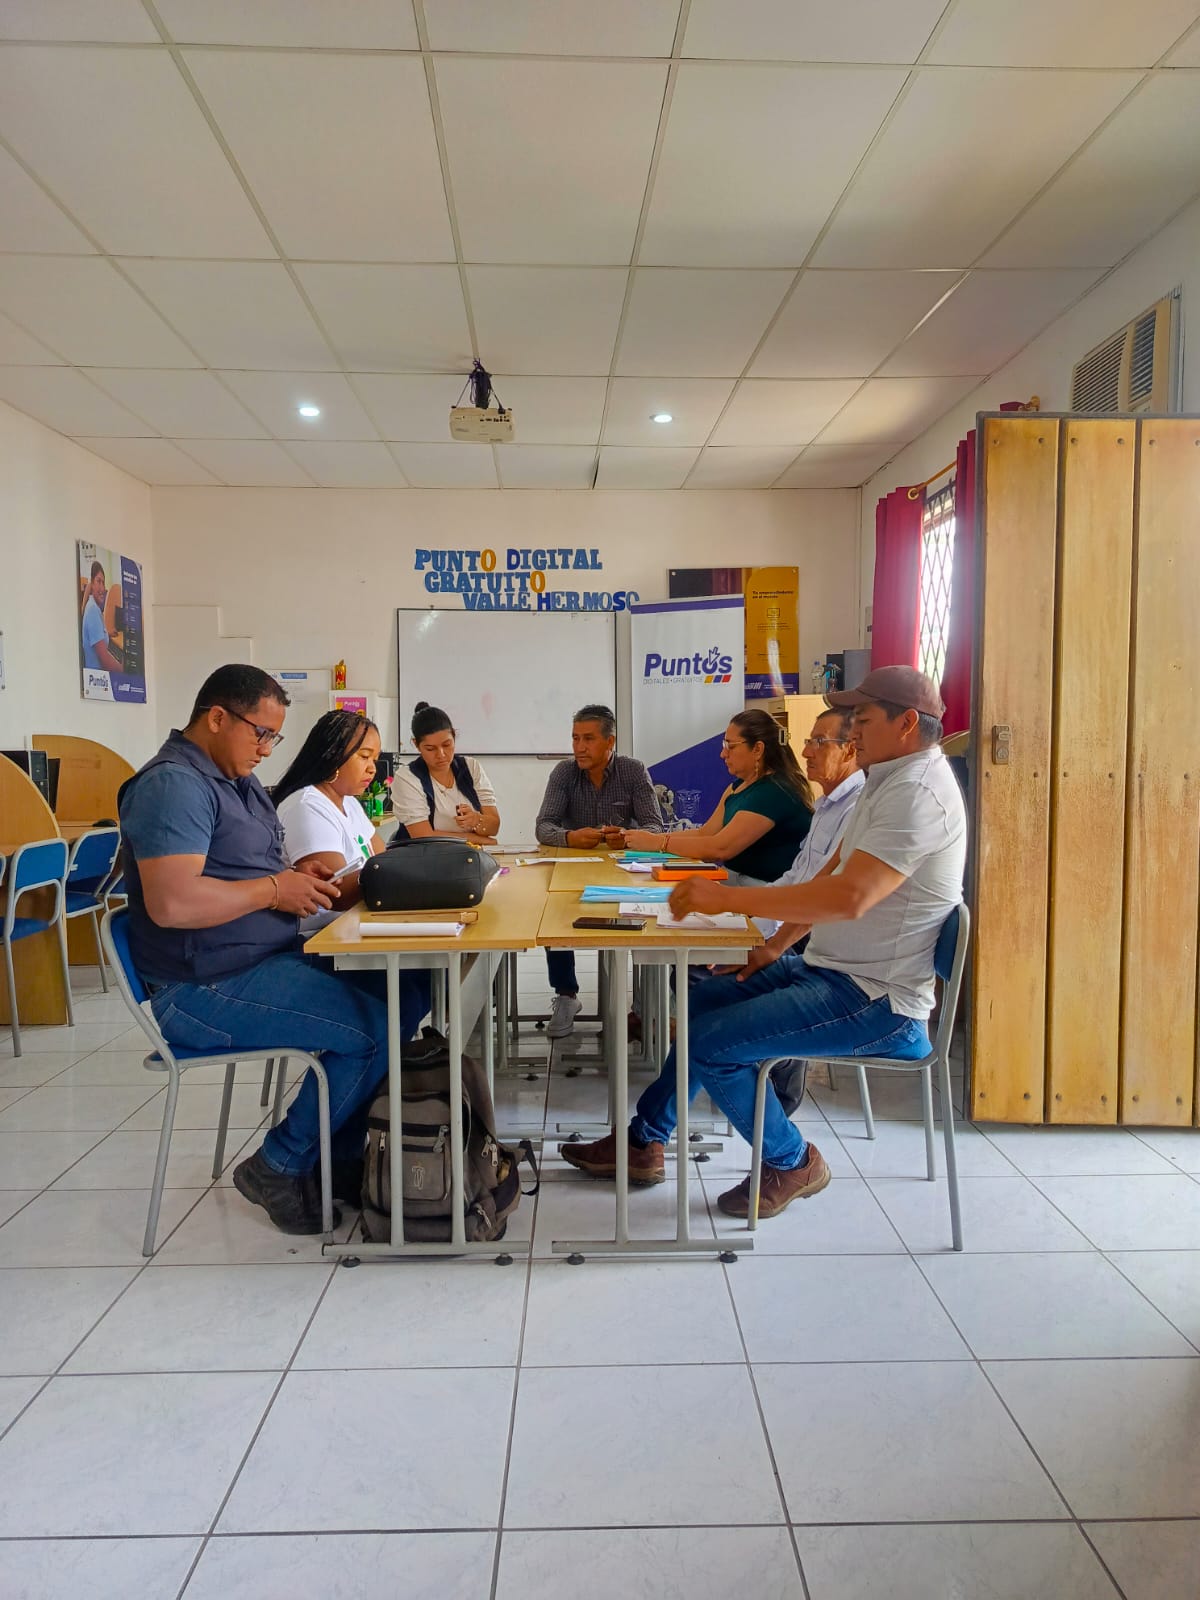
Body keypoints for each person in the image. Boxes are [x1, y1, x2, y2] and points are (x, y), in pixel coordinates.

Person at [562, 666, 966, 1221]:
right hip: (831, 968)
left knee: (711, 1042)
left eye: (863, 720)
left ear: (907, 724)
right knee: (701, 1001)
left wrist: (726, 900)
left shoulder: (918, 793)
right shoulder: (887, 779)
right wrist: (777, 946)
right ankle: (643, 1140)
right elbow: (831, 870)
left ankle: (792, 1160)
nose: (853, 733)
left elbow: (850, 897)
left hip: (877, 999)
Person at [118, 664, 427, 1236]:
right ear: (217, 717)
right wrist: (273, 890)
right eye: (260, 732)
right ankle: (279, 1165)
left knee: (405, 990)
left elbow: (247, 871)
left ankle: (338, 1154)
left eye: (274, 738)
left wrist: (297, 878)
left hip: (260, 957)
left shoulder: (236, 782)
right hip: (202, 984)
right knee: (372, 1029)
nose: (266, 748)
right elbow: (173, 903)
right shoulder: (173, 786)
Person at [758, 705, 864, 1114]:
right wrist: (749, 914)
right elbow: (794, 879)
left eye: (819, 742)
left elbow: (821, 897)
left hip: (814, 936)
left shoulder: (857, 807)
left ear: (850, 749)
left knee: (712, 974)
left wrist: (763, 928)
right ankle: (738, 1069)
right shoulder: (826, 805)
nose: (806, 752)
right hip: (792, 920)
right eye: (808, 741)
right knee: (701, 966)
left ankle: (777, 1095)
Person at [534, 703, 663, 1038]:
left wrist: (629, 837)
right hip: (572, 870)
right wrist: (570, 837)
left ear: (610, 742)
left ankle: (641, 1007)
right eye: (575, 738)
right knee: (555, 917)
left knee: (640, 924)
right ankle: (566, 995)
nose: (579, 747)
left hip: (623, 871)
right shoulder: (564, 773)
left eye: (588, 739)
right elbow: (543, 826)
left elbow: (654, 825)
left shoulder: (633, 771)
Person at [624, 708, 813, 890]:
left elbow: (720, 848)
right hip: (735, 881)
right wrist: (644, 839)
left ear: (757, 749)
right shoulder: (738, 787)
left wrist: (659, 843)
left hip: (764, 890)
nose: (723, 754)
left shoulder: (774, 792)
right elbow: (705, 833)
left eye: (730, 746)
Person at [272, 709, 387, 930]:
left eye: (375, 759)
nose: (372, 768)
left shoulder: (349, 802)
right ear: (334, 755)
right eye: (364, 757)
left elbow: (383, 859)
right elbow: (337, 893)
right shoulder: (307, 806)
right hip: (320, 936)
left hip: (355, 925)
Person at [390, 702, 500, 842]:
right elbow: (423, 837)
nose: (441, 754)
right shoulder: (407, 777)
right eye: (430, 749)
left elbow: (494, 827)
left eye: (447, 745)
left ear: (454, 735)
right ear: (416, 744)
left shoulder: (471, 767)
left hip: (470, 853)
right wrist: (478, 839)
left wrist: (476, 820)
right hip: (424, 853)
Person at [81, 560, 120, 673]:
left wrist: (107, 633)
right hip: (97, 676)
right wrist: (124, 670)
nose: (102, 588)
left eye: (103, 583)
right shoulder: (93, 610)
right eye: (98, 581)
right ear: (92, 584)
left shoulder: (92, 606)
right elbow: (105, 662)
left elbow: (96, 634)